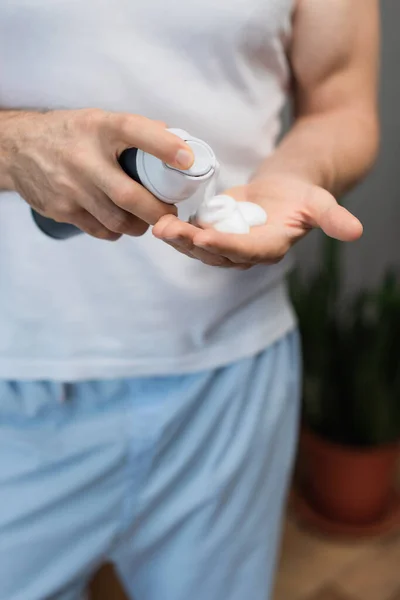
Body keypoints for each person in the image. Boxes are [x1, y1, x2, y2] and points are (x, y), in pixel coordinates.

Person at [0, 1, 379, 599]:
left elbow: (341, 100)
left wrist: (294, 175)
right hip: (15, 384)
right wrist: (12, 144)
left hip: (229, 382)